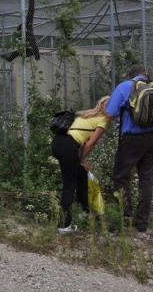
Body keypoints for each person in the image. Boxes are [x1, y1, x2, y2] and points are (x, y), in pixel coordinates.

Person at [106, 65, 153, 233]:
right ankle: (142, 224)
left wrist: (133, 116)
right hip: (152, 139)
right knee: (146, 179)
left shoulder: (123, 87)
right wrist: (148, 121)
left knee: (121, 177)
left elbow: (109, 114)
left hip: (131, 140)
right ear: (145, 75)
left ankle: (125, 220)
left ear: (130, 76)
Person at [51, 96, 111, 232]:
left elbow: (80, 137)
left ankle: (87, 215)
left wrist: (82, 160)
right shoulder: (104, 120)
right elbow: (90, 143)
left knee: (82, 176)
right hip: (68, 146)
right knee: (69, 185)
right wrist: (81, 158)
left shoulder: (86, 115)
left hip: (59, 143)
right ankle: (63, 226)